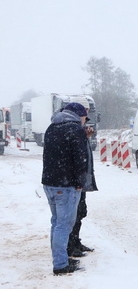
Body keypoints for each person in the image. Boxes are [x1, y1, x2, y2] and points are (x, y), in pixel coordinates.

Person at [41, 102, 89, 275]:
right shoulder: (75, 129)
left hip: (49, 183)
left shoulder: (52, 127)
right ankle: (60, 265)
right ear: (79, 115)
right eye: (85, 117)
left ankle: (60, 258)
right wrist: (80, 182)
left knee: (56, 222)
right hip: (66, 185)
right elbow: (80, 159)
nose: (85, 121)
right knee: (63, 225)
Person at [67, 120, 98, 258]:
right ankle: (70, 245)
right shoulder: (72, 129)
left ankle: (75, 241)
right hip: (74, 182)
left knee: (80, 212)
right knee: (73, 214)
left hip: (80, 180)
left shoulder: (79, 129)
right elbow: (75, 155)